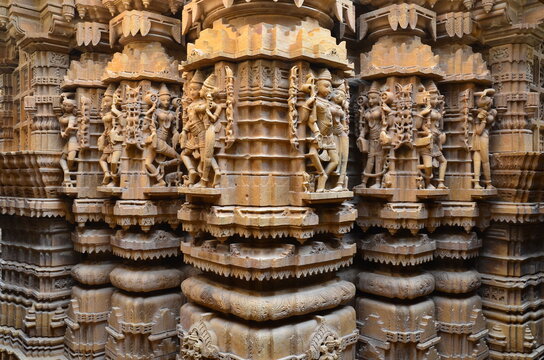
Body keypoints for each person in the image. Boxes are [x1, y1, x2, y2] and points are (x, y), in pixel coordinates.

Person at [299, 69, 339, 192]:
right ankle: (321, 174)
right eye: (326, 86)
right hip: (319, 134)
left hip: (329, 135)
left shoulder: (327, 102)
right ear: (317, 86)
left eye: (331, 87)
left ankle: (323, 176)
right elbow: (310, 120)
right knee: (312, 152)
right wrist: (316, 132)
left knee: (335, 161)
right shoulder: (315, 101)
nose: (329, 90)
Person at [472, 88, 497, 189]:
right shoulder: (480, 114)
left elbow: (491, 118)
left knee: (479, 159)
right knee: (483, 160)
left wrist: (485, 91)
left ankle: (479, 183)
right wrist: (482, 120)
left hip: (481, 137)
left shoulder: (491, 112)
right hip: (481, 137)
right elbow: (478, 131)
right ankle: (486, 183)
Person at [59, 95, 79, 186]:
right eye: (65, 106)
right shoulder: (64, 116)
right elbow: (62, 128)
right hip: (69, 140)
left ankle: (68, 173)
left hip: (73, 139)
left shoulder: (72, 117)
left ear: (73, 107)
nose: (66, 107)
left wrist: (65, 133)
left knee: (70, 158)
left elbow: (70, 127)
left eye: (69, 106)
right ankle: (67, 172)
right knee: (62, 159)